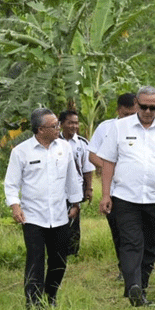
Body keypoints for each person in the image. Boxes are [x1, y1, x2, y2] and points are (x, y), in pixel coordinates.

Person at [98, 86, 155, 306]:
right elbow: (108, 162)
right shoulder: (119, 127)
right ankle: (133, 284)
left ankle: (140, 289)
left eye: (152, 107)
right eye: (144, 106)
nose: (148, 111)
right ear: (136, 103)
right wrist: (105, 194)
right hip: (125, 197)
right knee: (131, 242)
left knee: (151, 247)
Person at [4, 108, 82, 310]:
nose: (59, 128)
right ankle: (33, 302)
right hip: (33, 217)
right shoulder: (21, 151)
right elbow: (11, 184)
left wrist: (75, 203)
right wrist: (15, 206)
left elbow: (72, 177)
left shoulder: (64, 148)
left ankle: (51, 295)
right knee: (35, 260)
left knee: (59, 261)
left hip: (59, 215)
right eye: (54, 126)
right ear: (40, 129)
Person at [87, 93, 137, 280]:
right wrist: (108, 167)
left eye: (133, 113)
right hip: (114, 190)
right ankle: (124, 269)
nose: (129, 118)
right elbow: (92, 154)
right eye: (126, 114)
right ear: (118, 111)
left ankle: (141, 265)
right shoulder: (107, 127)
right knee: (119, 232)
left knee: (137, 232)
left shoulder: (145, 128)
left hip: (138, 190)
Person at [58, 110, 95, 257]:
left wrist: (89, 188)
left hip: (76, 188)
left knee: (74, 219)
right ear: (61, 124)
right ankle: (58, 249)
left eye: (76, 122)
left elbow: (87, 168)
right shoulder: (54, 142)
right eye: (70, 122)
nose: (74, 126)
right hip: (58, 188)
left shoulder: (82, 143)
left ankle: (73, 252)